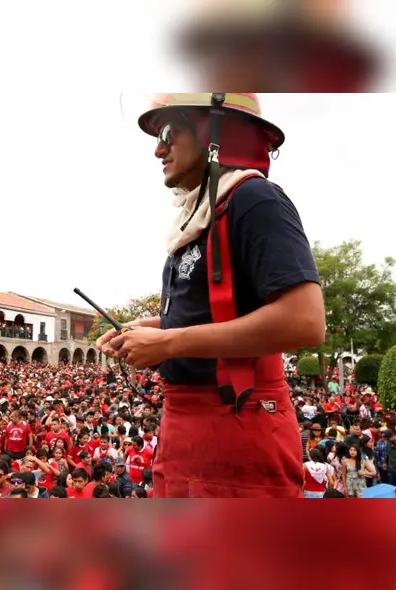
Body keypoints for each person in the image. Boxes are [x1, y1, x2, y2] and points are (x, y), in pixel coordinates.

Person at [100, 93, 325, 498]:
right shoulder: (201, 212)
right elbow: (216, 312)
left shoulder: (255, 199)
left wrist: (167, 342)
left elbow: (304, 320)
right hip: (184, 425)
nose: (157, 149)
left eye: (169, 131)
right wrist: (148, 328)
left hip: (237, 423)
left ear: (214, 134)